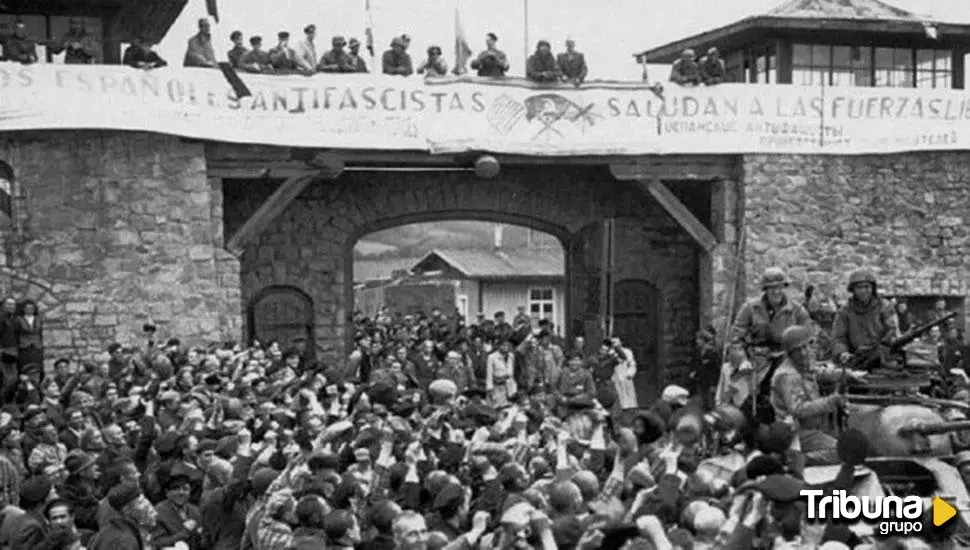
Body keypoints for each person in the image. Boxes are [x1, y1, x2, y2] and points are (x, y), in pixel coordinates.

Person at [770, 325, 851, 467]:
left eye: (805, 347)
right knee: (842, 451)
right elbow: (798, 409)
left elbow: (816, 372)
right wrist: (830, 401)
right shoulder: (788, 375)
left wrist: (845, 374)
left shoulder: (801, 365)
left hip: (809, 428)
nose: (803, 353)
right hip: (795, 432)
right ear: (789, 354)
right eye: (797, 350)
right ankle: (796, 460)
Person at [831, 269, 900, 369]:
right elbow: (838, 337)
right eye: (859, 287)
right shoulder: (844, 311)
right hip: (856, 357)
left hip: (883, 355)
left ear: (872, 288)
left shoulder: (884, 306)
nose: (864, 291)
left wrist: (882, 347)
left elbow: (892, 330)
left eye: (867, 287)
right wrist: (842, 353)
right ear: (853, 290)